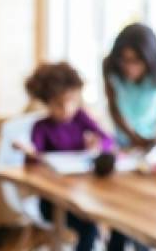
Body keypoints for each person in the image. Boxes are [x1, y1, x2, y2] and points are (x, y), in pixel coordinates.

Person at [23, 62, 112, 251]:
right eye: (58, 104)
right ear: (47, 102)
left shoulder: (80, 117)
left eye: (71, 100)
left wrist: (98, 144)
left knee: (99, 223)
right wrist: (31, 154)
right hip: (52, 201)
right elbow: (33, 161)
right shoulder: (40, 128)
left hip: (81, 196)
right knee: (89, 228)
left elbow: (107, 140)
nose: (66, 108)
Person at [103, 23, 156, 150]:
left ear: (149, 59)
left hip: (154, 137)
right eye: (124, 60)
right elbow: (113, 109)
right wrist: (134, 139)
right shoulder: (111, 67)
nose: (130, 68)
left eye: (136, 61)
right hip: (125, 138)